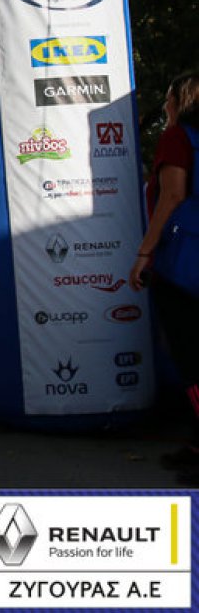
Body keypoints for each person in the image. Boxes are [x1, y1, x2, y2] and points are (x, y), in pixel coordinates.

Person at [128, 71, 199, 482]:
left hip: (184, 263)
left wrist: (144, 252)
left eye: (169, 98)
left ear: (179, 101)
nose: (166, 105)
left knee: (191, 356)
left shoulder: (177, 138)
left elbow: (172, 195)